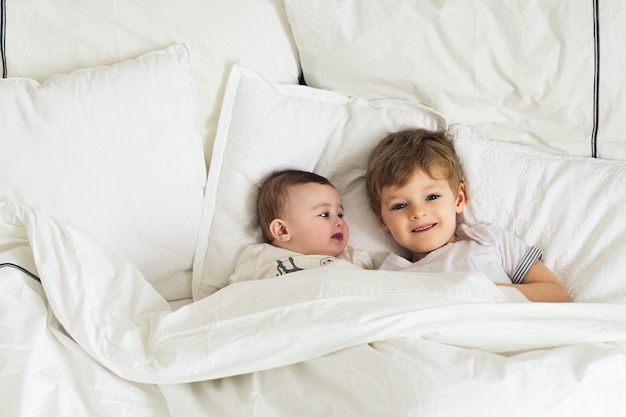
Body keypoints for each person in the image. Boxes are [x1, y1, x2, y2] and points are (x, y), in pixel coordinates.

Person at [366, 128, 570, 302]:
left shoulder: (490, 241)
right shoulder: (390, 276)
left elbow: (556, 294)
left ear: (458, 198)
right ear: (383, 221)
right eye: (400, 205)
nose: (418, 212)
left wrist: (482, 292)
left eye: (432, 196)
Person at [229, 169, 373, 283]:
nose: (340, 222)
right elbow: (234, 299)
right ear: (282, 230)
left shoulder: (352, 258)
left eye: (340, 214)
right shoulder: (259, 258)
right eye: (324, 215)